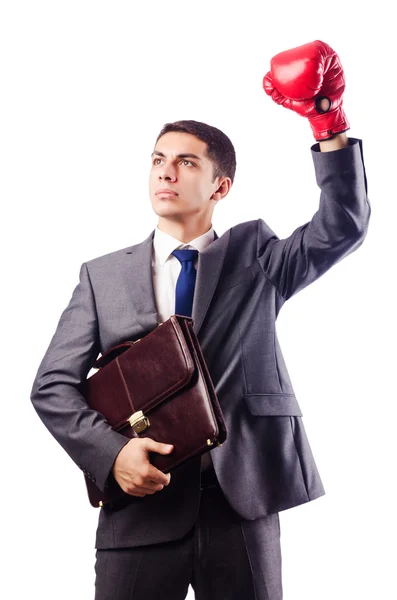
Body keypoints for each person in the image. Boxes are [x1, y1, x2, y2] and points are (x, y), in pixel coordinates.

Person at [30, 40, 371, 600]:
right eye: (158, 161)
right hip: (138, 510)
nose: (166, 173)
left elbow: (343, 228)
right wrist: (112, 455)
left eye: (186, 162)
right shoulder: (101, 277)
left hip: (241, 505)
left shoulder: (258, 257)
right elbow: (51, 388)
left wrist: (328, 123)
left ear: (220, 186)